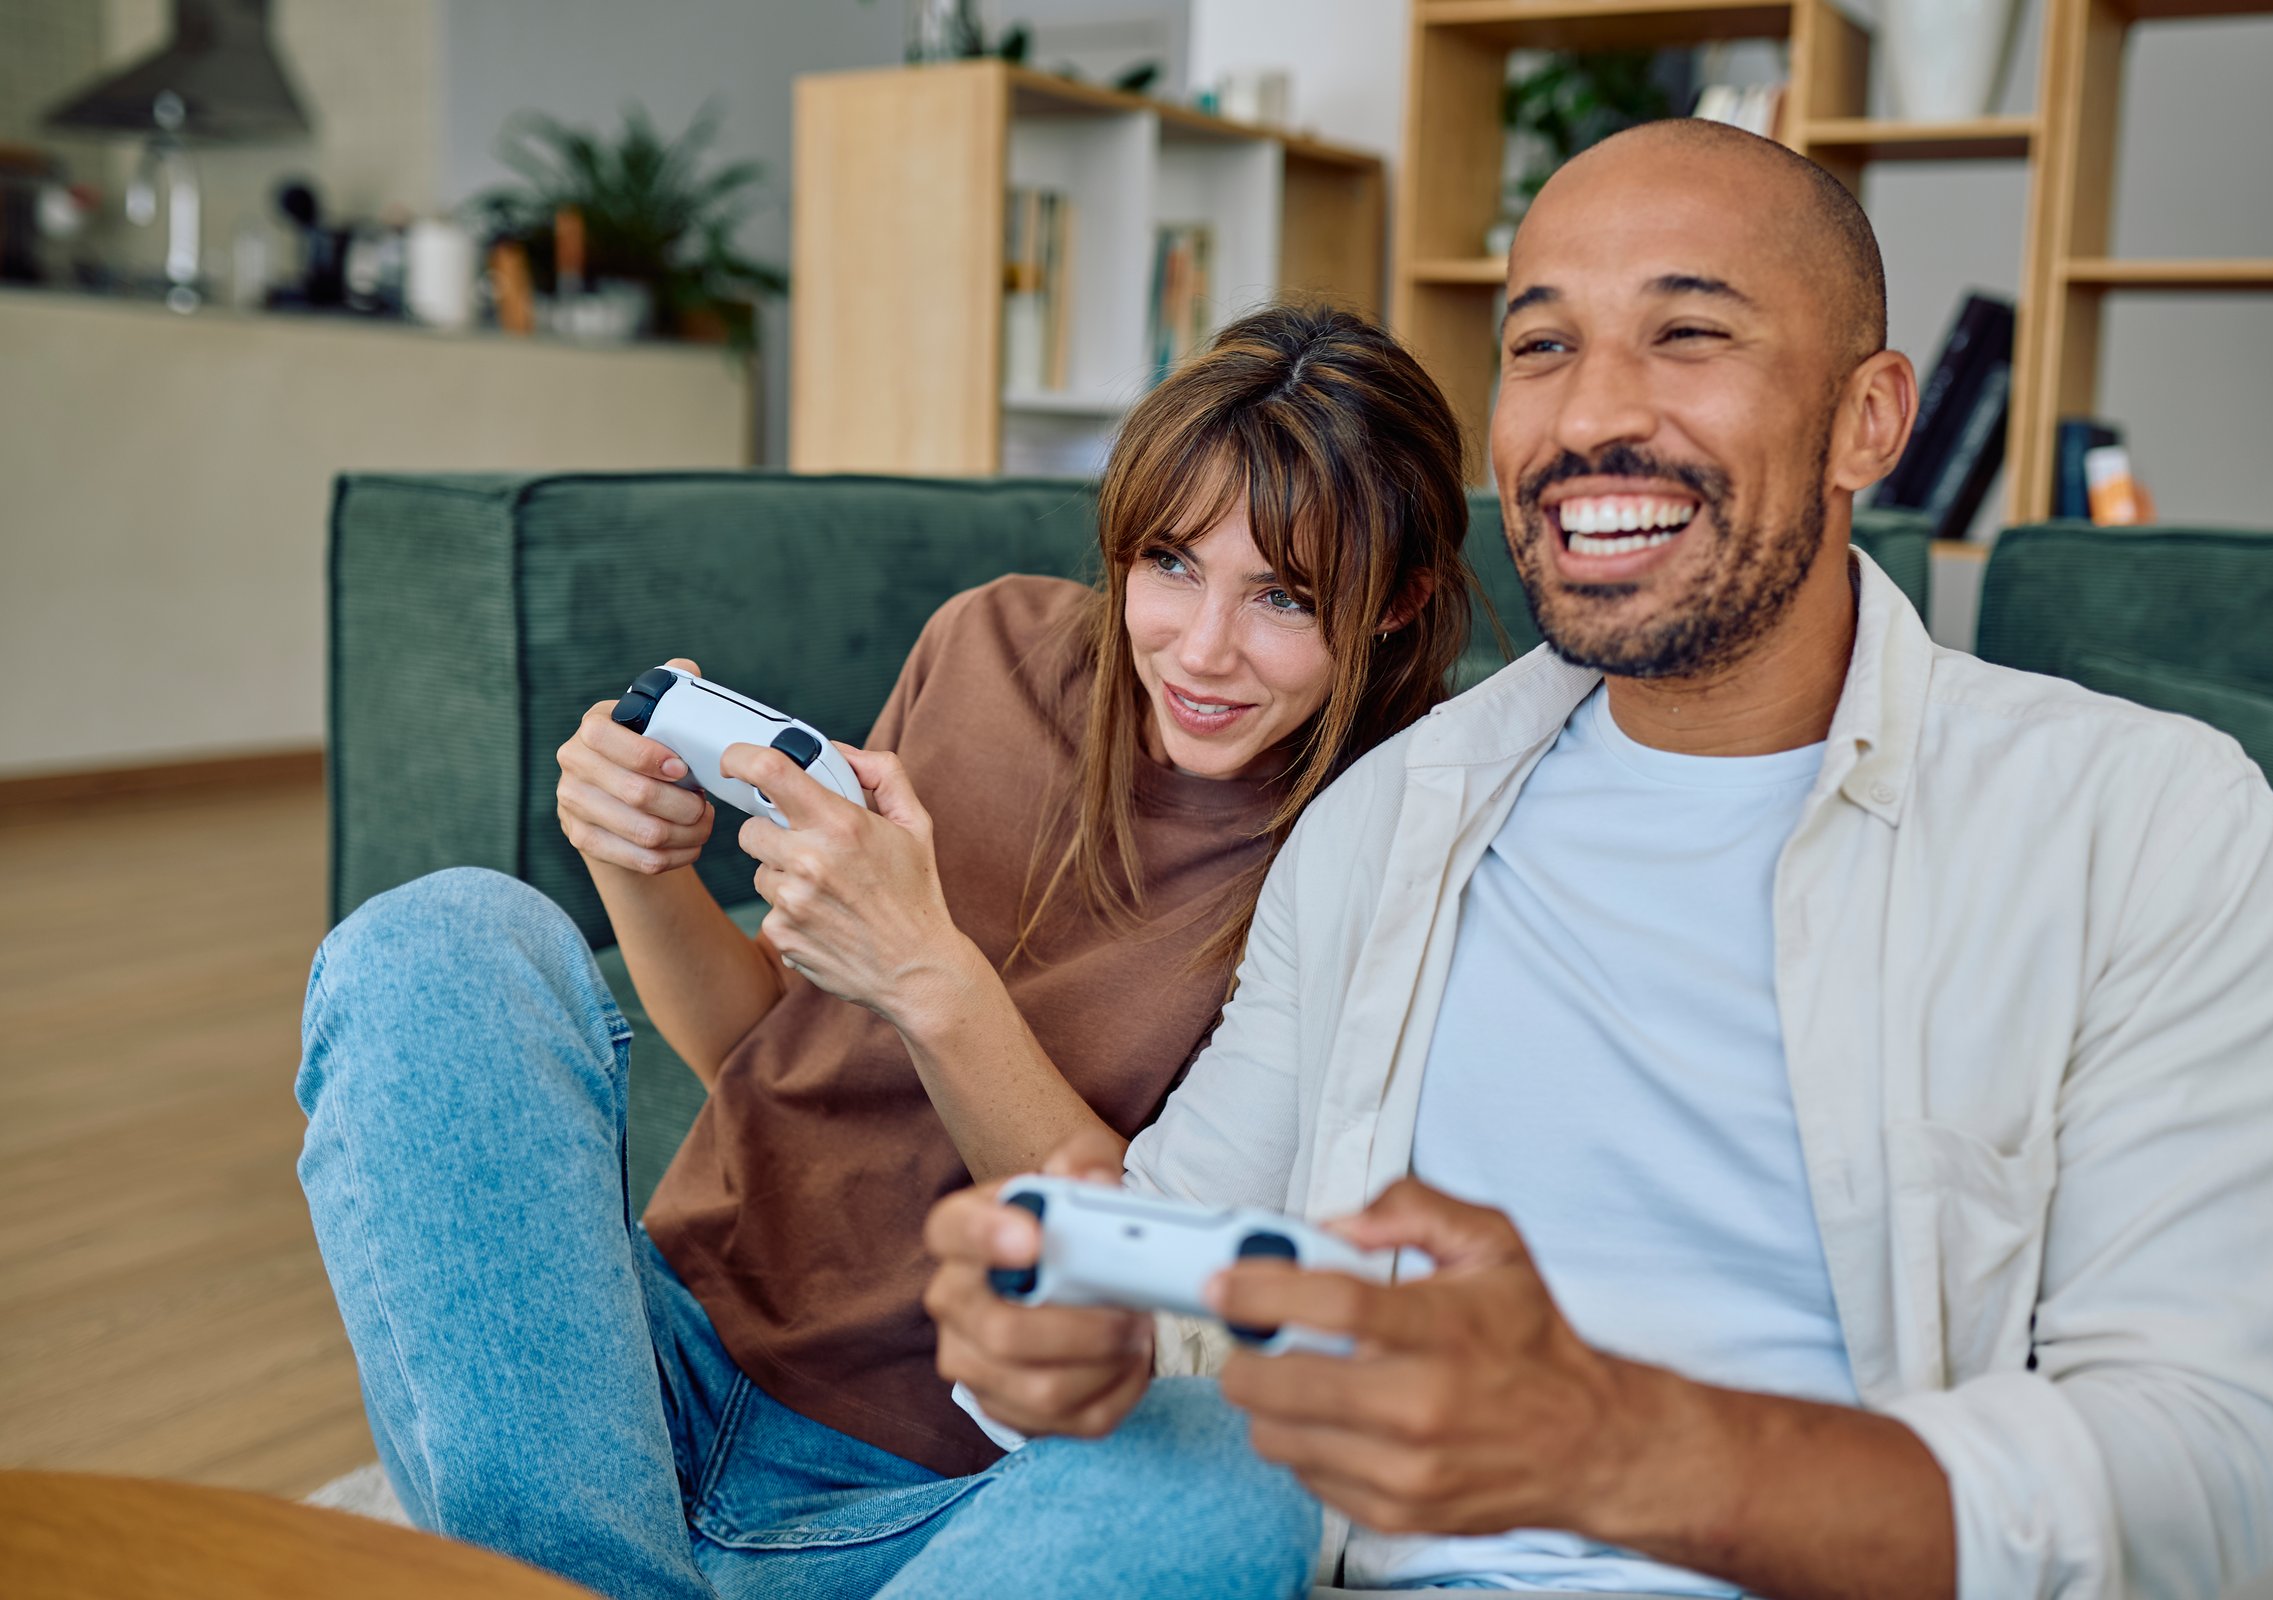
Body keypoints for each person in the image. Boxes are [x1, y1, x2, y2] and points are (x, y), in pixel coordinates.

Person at [924, 119, 2273, 1598]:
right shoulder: (1388, 817)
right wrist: (1069, 1334)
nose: (1593, 413)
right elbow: (1187, 1265)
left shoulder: (2141, 819)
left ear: (1869, 417)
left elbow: (2220, 1467)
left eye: (1687, 334)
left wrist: (1620, 1451)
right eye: (1541, 349)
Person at [295, 303, 1485, 1600]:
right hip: (646, 1378)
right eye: (1171, 564)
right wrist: (638, 860)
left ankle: (567, 1582)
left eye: (1284, 597)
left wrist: (930, 972)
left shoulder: (1384, 846)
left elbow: (1151, 1262)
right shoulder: (991, 646)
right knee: (439, 938)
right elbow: (772, 1055)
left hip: (932, 1500)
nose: (1200, 650)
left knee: (1222, 1483)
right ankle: (593, 1564)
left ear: (1399, 600)